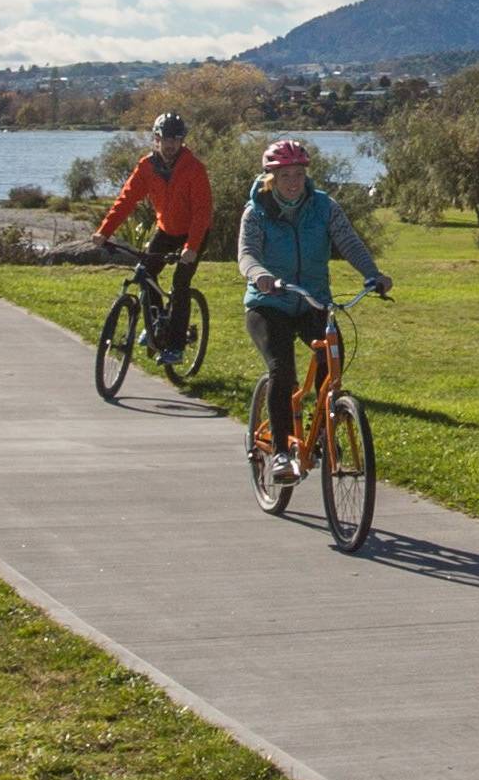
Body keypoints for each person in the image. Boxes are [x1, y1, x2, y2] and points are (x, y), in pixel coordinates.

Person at [238, 135, 389, 505]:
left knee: (331, 356)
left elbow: (348, 242)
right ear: (271, 178)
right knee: (282, 371)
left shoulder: (324, 207)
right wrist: (259, 275)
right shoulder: (255, 212)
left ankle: (324, 426)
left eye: (299, 174)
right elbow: (246, 254)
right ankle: (281, 453)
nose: (293, 181)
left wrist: (373, 273)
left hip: (312, 302)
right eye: (285, 175)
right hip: (268, 303)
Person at [97, 110, 218, 352]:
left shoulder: (194, 169)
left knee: (180, 283)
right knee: (145, 273)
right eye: (165, 139)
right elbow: (126, 200)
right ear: (156, 139)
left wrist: (191, 248)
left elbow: (202, 213)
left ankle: (175, 347)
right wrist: (104, 231)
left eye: (176, 139)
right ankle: (156, 323)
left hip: (194, 233)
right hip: (166, 230)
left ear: (182, 141)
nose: (170, 144)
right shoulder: (147, 167)